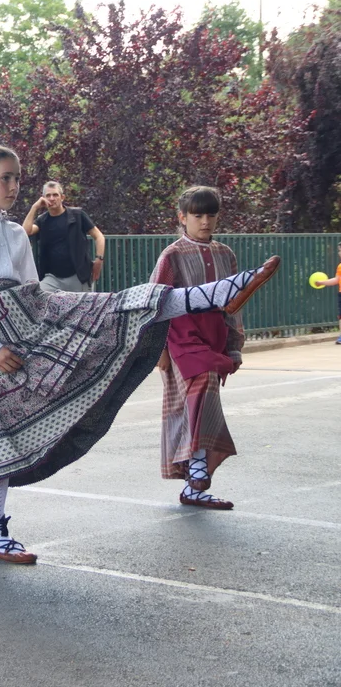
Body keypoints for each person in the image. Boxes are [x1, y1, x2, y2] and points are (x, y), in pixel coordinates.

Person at [0, 146, 280, 565]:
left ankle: (214, 294)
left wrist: (57, 320)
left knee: (111, 308)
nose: (14, 186)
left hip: (26, 319)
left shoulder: (14, 232)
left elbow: (32, 289)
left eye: (17, 178)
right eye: (4, 177)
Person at [151, 187, 249, 510]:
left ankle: (194, 486)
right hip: (181, 338)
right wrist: (158, 351)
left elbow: (233, 304)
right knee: (201, 387)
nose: (205, 221)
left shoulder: (226, 254)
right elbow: (155, 303)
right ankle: (197, 476)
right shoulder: (172, 255)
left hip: (214, 338)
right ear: (182, 217)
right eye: (197, 215)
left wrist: (234, 347)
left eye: (211, 214)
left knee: (196, 406)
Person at [21, 181, 105, 292]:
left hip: (78, 276)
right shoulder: (42, 220)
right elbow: (25, 231)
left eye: (55, 195)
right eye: (48, 195)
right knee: (38, 297)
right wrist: (34, 207)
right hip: (52, 279)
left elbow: (99, 236)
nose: (52, 198)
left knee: (83, 304)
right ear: (43, 198)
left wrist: (99, 260)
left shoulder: (78, 215)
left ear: (62, 197)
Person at [310, 243, 341, 344]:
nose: (339, 253)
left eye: (340, 250)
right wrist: (322, 282)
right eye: (339, 251)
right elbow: (336, 280)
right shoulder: (340, 267)